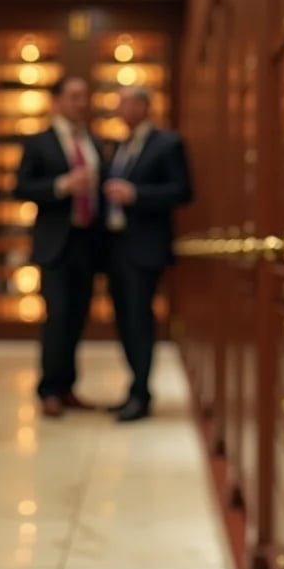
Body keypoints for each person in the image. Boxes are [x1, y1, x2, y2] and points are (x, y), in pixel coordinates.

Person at [13, 76, 104, 418]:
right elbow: (21, 187)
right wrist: (62, 185)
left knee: (78, 317)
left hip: (88, 241)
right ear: (58, 101)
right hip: (56, 242)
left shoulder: (94, 142)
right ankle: (48, 388)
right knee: (58, 316)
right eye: (75, 96)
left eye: (85, 96)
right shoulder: (39, 143)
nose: (83, 103)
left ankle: (67, 387)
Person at [103, 85, 193, 422]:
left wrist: (135, 194)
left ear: (143, 106)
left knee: (140, 318)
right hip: (116, 247)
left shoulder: (167, 143)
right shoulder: (120, 146)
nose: (119, 110)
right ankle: (134, 387)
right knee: (123, 319)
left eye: (124, 103)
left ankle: (141, 393)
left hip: (145, 246)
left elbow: (182, 190)